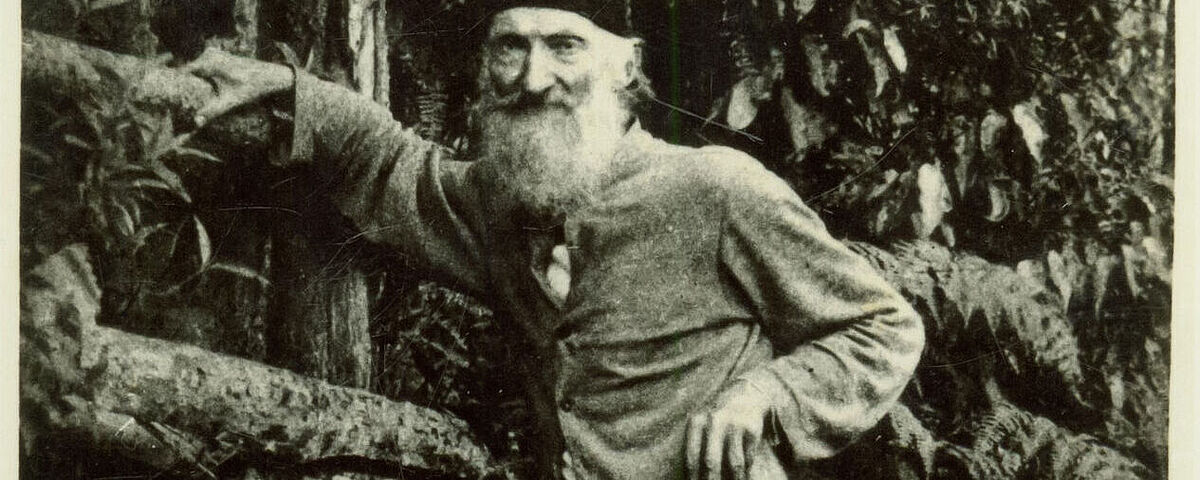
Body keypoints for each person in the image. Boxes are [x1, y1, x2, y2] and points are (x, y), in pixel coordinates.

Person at [183, 2, 925, 478]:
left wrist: (764, 394)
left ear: (626, 65)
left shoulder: (717, 187)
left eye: (565, 45)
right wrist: (282, 89)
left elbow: (885, 327)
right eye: (510, 47)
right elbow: (390, 162)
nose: (534, 79)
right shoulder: (499, 203)